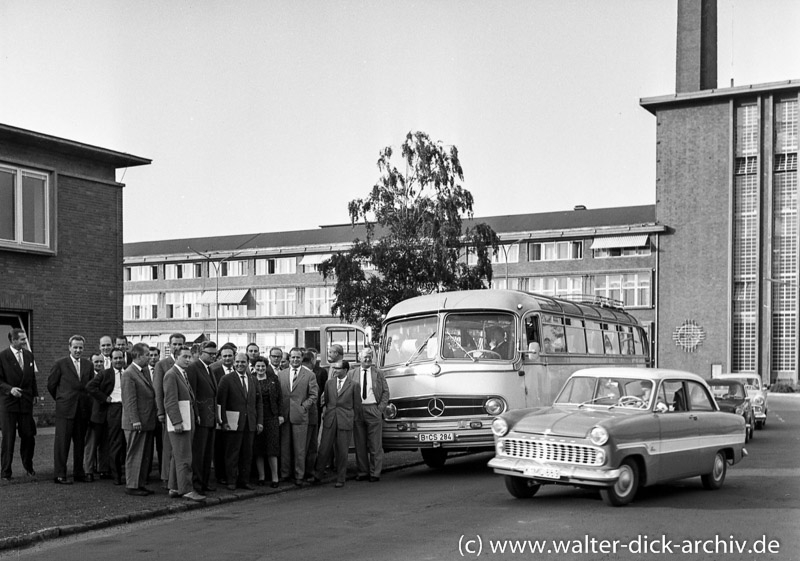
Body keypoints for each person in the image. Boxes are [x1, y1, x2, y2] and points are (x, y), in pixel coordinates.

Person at [47, 334, 94, 484]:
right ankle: (60, 475)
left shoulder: (88, 365)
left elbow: (90, 386)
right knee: (62, 444)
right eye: (75, 347)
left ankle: (79, 473)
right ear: (69, 347)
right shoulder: (60, 364)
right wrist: (61, 399)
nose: (78, 350)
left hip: (82, 410)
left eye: (80, 347)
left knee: (80, 443)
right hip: (65, 410)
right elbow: (51, 385)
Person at [163, 345, 205, 501]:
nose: (188, 360)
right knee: (185, 457)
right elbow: (170, 400)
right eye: (184, 357)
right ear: (176, 357)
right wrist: (177, 422)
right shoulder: (171, 375)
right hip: (181, 421)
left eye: (189, 357)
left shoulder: (182, 374)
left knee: (178, 455)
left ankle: (174, 486)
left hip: (188, 418)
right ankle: (186, 489)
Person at [217, 352, 263, 490]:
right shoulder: (226, 379)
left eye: (243, 362)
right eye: (237, 362)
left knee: (247, 454)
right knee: (232, 453)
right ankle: (231, 481)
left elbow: (258, 402)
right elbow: (221, 403)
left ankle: (244, 481)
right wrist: (223, 421)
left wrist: (259, 421)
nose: (239, 364)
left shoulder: (253, 380)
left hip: (250, 423)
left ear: (248, 363)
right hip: (233, 423)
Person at [312, 360, 360, 488]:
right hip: (330, 418)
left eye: (338, 368)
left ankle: (341, 478)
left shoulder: (354, 385)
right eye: (334, 368)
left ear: (345, 370)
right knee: (324, 448)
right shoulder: (329, 383)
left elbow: (357, 405)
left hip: (345, 419)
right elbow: (327, 401)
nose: (335, 371)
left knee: (342, 451)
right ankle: (318, 474)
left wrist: (352, 419)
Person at [0, 328, 39, 480]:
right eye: (22, 339)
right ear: (13, 340)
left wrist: (35, 394)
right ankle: (5, 472)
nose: (25, 341)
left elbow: (32, 379)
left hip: (25, 403)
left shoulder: (29, 355)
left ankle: (28, 467)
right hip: (8, 404)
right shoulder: (2, 356)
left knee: (29, 436)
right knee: (8, 438)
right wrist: (10, 390)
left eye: (25, 339)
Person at [86, 349, 127, 485]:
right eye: (115, 358)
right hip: (113, 409)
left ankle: (121, 471)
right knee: (115, 442)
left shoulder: (127, 372)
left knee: (124, 443)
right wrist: (105, 398)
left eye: (120, 358)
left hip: (126, 408)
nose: (118, 361)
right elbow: (90, 387)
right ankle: (116, 476)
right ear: (111, 360)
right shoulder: (106, 373)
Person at [121, 342, 157, 496]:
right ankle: (132, 485)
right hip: (136, 422)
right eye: (147, 354)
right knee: (135, 453)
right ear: (138, 356)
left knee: (144, 455)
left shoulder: (143, 372)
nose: (150, 357)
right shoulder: (129, 373)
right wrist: (135, 420)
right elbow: (130, 400)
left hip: (146, 420)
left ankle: (140, 483)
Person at [278, 347, 318, 486]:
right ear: (289, 358)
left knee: (300, 448)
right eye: (293, 357)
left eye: (298, 357)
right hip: (284, 415)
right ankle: (285, 473)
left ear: (302, 359)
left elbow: (314, 395)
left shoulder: (309, 375)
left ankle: (299, 475)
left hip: (300, 415)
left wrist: (304, 406)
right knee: (285, 446)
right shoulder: (281, 374)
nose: (295, 360)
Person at [350, 348, 389, 482]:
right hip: (357, 410)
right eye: (365, 357)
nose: (368, 359)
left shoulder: (378, 373)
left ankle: (375, 473)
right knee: (359, 443)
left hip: (373, 408)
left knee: (375, 444)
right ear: (359, 358)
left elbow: (385, 392)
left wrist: (380, 409)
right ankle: (362, 472)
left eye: (370, 356)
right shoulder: (352, 373)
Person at [153, 333, 185, 488]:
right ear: (169, 345)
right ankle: (166, 478)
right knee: (168, 446)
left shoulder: (187, 362)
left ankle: (178, 478)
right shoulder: (163, 365)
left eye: (180, 344)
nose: (177, 347)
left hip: (184, 410)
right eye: (175, 344)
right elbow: (158, 390)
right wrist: (160, 411)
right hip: (168, 410)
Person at [186, 340, 218, 494]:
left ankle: (204, 482)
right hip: (201, 418)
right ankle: (197, 484)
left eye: (214, 354)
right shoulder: (193, 368)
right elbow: (192, 394)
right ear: (200, 352)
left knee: (207, 453)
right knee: (199, 454)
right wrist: (197, 415)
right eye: (209, 354)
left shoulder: (209, 369)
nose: (213, 356)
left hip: (210, 418)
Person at [252, 355, 282, 487]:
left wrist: (280, 415)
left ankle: (275, 478)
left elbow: (280, 398)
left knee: (272, 448)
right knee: (258, 449)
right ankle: (261, 477)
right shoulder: (251, 380)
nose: (260, 368)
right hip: (257, 418)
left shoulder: (273, 379)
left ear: (266, 366)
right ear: (254, 367)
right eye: (258, 366)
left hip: (272, 417)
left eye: (263, 366)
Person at [302, 348, 326, 480]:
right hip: (308, 415)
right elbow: (315, 396)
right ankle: (307, 471)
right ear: (312, 360)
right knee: (309, 446)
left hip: (309, 415)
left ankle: (308, 471)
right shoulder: (310, 375)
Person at [83, 353, 108, 480]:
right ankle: (88, 470)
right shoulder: (88, 376)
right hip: (92, 414)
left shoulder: (106, 375)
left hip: (105, 413)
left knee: (104, 443)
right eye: (96, 362)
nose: (99, 364)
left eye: (101, 362)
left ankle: (103, 469)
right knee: (91, 443)